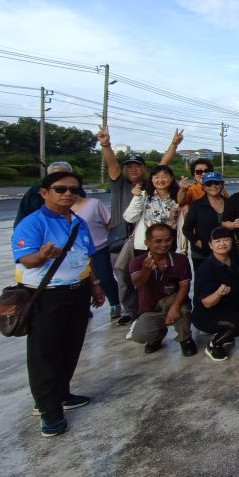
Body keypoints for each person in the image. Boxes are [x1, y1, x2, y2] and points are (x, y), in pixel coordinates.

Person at [12, 171, 105, 437]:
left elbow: (86, 257)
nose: (67, 194)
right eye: (60, 189)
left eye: (73, 190)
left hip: (77, 291)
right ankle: (48, 410)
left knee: (71, 345)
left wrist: (95, 285)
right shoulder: (32, 223)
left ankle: (62, 393)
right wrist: (41, 256)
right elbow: (25, 258)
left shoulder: (77, 221)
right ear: (44, 192)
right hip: (46, 295)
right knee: (45, 353)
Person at [98, 125, 182, 327]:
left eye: (137, 166)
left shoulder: (149, 188)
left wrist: (173, 145)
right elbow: (111, 165)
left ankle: (147, 312)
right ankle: (130, 310)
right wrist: (106, 144)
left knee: (150, 275)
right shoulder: (119, 183)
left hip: (147, 237)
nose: (133, 169)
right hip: (122, 235)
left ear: (145, 170)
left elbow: (164, 165)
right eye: (129, 166)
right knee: (123, 273)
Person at [128, 223, 196, 356]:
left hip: (173, 300)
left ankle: (185, 338)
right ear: (147, 242)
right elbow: (137, 283)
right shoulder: (137, 261)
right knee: (140, 335)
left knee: (183, 309)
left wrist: (175, 307)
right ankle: (157, 337)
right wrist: (146, 270)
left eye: (167, 240)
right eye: (158, 241)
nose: (164, 244)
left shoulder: (180, 260)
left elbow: (185, 286)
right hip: (150, 307)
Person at [191, 227, 239, 361]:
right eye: (217, 241)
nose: (222, 244)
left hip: (230, 308)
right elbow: (207, 303)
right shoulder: (206, 269)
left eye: (226, 239)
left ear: (232, 242)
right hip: (207, 314)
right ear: (210, 245)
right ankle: (214, 345)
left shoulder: (236, 260)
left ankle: (227, 334)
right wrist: (218, 293)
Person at [70, 183, 119, 320]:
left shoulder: (94, 204)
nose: (67, 194)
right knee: (81, 281)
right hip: (76, 252)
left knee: (105, 278)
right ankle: (84, 308)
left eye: (71, 189)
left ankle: (115, 303)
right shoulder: (63, 209)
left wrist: (114, 241)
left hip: (99, 247)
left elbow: (109, 223)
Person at [122, 164, 180, 265]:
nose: (160, 180)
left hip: (169, 242)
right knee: (147, 274)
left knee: (167, 272)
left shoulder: (178, 197)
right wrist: (137, 198)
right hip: (146, 244)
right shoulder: (143, 195)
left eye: (164, 176)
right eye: (156, 177)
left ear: (171, 178)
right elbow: (130, 218)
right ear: (152, 179)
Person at [183, 171, 227, 266]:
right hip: (202, 254)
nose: (213, 186)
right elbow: (186, 229)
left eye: (216, 183)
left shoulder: (230, 203)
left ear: (222, 184)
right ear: (203, 187)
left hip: (226, 253)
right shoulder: (196, 205)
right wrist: (201, 244)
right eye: (208, 183)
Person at [14, 161, 73, 226]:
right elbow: (22, 214)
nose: (59, 177)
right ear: (48, 176)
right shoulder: (35, 191)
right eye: (55, 175)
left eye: (64, 175)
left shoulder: (76, 191)